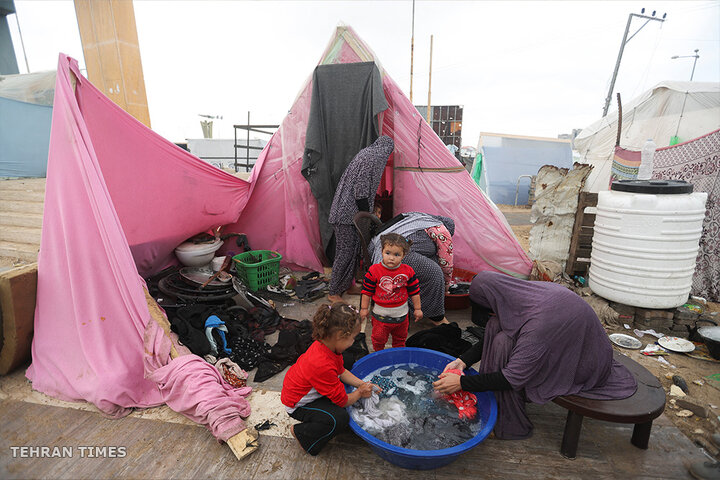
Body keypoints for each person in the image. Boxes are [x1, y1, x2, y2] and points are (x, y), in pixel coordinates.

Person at [433, 271, 637, 440]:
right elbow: (493, 332)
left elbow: (512, 378)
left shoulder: (537, 328)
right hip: (567, 342)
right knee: (498, 330)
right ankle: (499, 402)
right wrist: (462, 361)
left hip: (581, 363)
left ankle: (510, 419)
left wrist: (462, 384)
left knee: (503, 341)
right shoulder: (525, 294)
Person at [281, 303, 379, 456]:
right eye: (353, 338)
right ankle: (302, 434)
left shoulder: (327, 346)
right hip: (298, 404)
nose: (354, 342)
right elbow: (343, 401)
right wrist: (360, 392)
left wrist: (362, 384)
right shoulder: (321, 365)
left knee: (347, 359)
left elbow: (341, 371)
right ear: (340, 336)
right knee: (338, 419)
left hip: (310, 385)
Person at [327, 136, 394, 303]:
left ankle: (348, 285)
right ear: (386, 150)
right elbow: (361, 190)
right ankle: (333, 291)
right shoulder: (374, 158)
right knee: (345, 252)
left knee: (354, 251)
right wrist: (367, 215)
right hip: (346, 214)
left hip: (350, 214)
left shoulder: (367, 153)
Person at [369, 212, 455, 325]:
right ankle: (436, 317)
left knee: (433, 260)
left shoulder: (421, 219)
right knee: (434, 272)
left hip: (380, 245)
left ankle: (420, 304)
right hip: (395, 252)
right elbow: (446, 264)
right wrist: (446, 286)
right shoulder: (442, 231)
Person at [360, 233, 423, 351]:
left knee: (400, 340)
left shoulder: (408, 271)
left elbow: (414, 291)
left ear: (403, 255)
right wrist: (364, 309)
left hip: (402, 316)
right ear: (382, 251)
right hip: (381, 316)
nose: (391, 258)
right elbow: (366, 291)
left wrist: (418, 309)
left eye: (397, 254)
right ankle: (379, 357)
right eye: (387, 253)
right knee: (378, 340)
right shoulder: (374, 271)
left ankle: (398, 357)